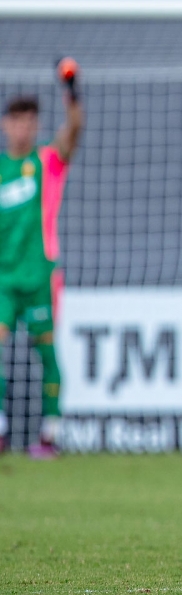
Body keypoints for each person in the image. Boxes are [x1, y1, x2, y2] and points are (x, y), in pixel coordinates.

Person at [0, 60, 84, 459]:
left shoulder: (47, 163)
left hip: (41, 277)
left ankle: (50, 435)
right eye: (17, 121)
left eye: (30, 121)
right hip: (3, 278)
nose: (23, 128)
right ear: (5, 125)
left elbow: (74, 133)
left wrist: (71, 92)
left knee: (47, 354)